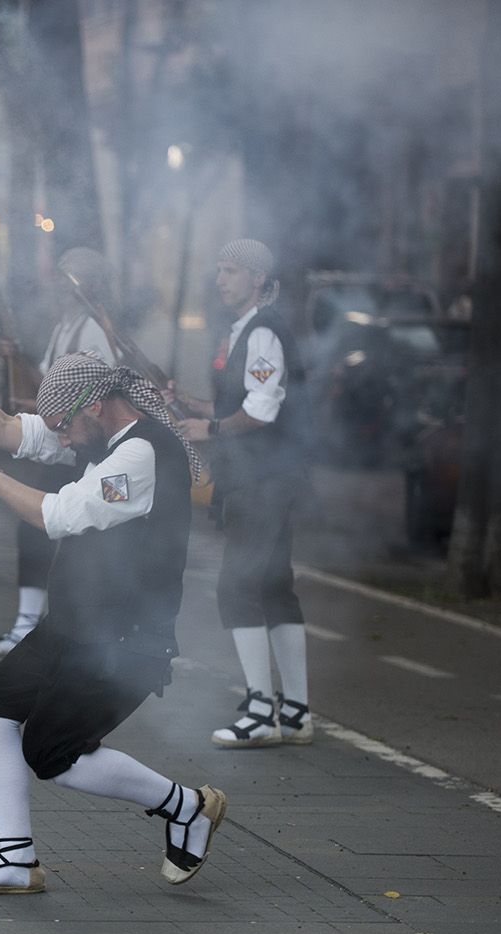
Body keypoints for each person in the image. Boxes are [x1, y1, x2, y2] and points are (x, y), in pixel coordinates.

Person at [0, 335, 225, 895]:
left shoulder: (141, 454)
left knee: (52, 753)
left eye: (63, 426)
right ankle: (15, 857)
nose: (58, 437)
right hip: (76, 624)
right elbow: (4, 429)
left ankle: (186, 806)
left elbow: (56, 515)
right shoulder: (95, 435)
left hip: (125, 639)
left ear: (95, 406)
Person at [172, 239, 313, 748]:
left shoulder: (263, 331)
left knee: (236, 587)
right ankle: (294, 713)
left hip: (262, 480)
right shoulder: (245, 329)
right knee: (274, 588)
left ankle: (260, 713)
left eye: (230, 271)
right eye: (219, 269)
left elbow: (261, 410)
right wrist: (192, 404)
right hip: (271, 477)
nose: (220, 279)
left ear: (257, 279)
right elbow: (241, 400)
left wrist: (209, 430)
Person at [0, 247, 117, 657]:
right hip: (64, 444)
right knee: (36, 530)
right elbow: (49, 386)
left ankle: (59, 633)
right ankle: (28, 627)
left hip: (79, 448)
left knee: (60, 534)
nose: (56, 286)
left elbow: (93, 393)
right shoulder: (66, 326)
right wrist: (16, 357)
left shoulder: (93, 330)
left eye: (67, 279)